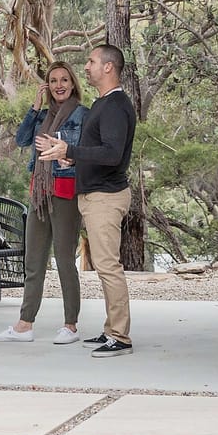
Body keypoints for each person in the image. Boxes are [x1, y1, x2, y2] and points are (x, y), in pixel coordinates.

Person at [37, 43, 138, 357]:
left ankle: (120, 337)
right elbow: (98, 153)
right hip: (94, 195)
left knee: (108, 267)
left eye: (92, 61)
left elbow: (112, 154)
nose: (87, 66)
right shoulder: (103, 105)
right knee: (106, 266)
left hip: (106, 198)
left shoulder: (116, 106)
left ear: (108, 67)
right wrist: (72, 159)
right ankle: (111, 330)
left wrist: (69, 150)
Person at [0, 61, 85, 344]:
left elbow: (80, 151)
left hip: (65, 193)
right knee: (33, 261)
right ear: (48, 86)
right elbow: (22, 140)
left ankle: (70, 324)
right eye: (54, 80)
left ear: (73, 84)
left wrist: (61, 150)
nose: (59, 85)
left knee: (64, 260)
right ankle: (25, 324)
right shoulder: (43, 115)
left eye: (64, 80)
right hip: (39, 194)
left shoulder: (83, 114)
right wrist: (35, 107)